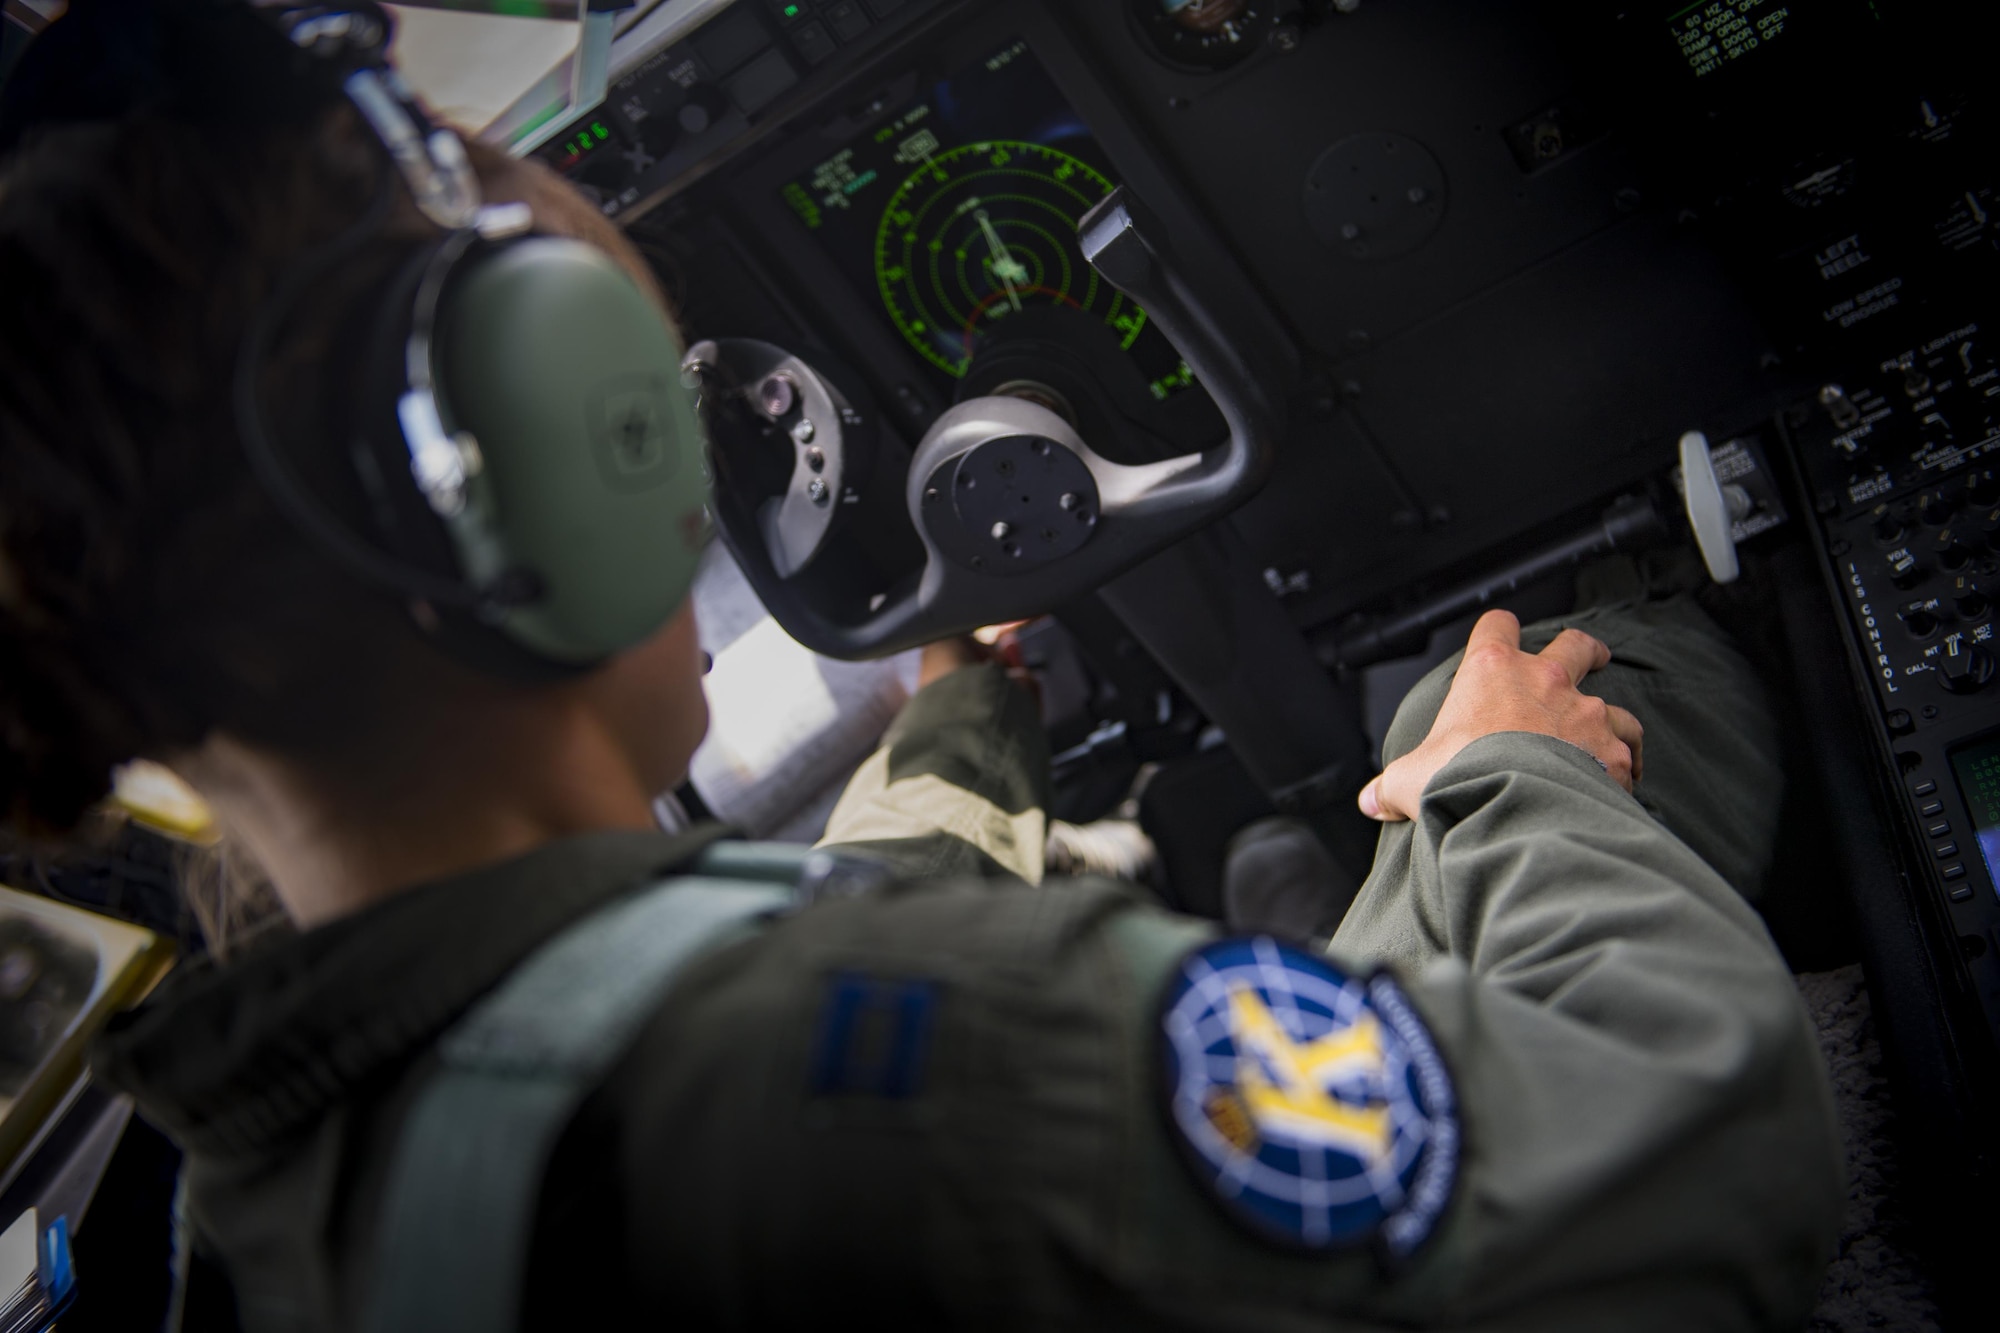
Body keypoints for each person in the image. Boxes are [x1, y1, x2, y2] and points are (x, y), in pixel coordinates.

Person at [0, 4, 1841, 1329]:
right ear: (548, 421)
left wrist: (960, 702)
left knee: (1335, 859)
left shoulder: (259, 1206)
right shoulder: (912, 1061)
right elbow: (1709, 1143)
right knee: (1583, 691)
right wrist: (1499, 780)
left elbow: (751, 948)